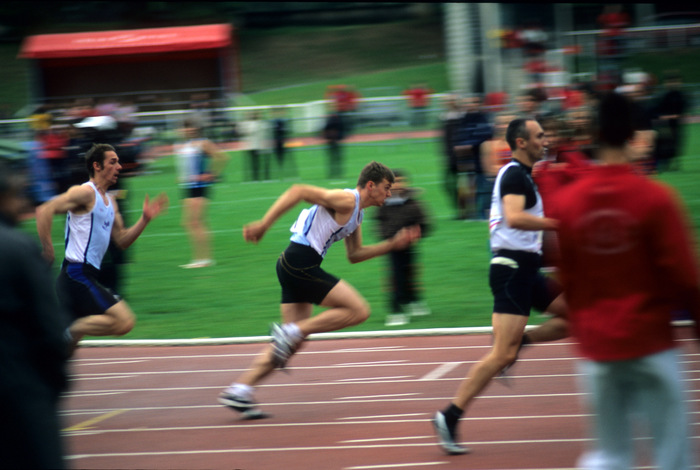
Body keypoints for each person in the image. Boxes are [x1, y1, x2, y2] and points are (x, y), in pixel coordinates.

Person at [553, 91, 700, 470]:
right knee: (673, 454)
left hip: (597, 348)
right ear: (634, 133)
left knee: (610, 455)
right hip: (651, 341)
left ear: (595, 133)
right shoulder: (656, 198)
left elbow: (566, 277)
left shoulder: (568, 204)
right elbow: (687, 278)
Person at [218, 161, 421, 418]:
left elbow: (355, 255)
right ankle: (289, 332)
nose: (390, 193)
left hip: (294, 266)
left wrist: (393, 244)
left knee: (289, 345)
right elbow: (298, 190)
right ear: (371, 186)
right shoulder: (346, 200)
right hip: (299, 263)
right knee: (359, 310)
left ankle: (240, 389)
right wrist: (264, 224)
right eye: (387, 187)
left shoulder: (357, 213)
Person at [431, 118, 565, 455]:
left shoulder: (524, 175)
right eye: (539, 136)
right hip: (512, 270)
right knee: (500, 353)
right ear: (521, 142)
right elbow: (514, 217)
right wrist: (559, 224)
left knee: (575, 315)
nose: (544, 140)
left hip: (528, 269)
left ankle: (520, 343)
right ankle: (449, 415)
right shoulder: (515, 174)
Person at [36, 143, 168, 353]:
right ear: (97, 166)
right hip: (76, 275)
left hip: (85, 276)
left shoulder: (111, 202)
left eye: (119, 162)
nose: (119, 167)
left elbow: (122, 240)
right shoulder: (84, 193)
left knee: (61, 353)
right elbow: (45, 210)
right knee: (124, 322)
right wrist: (48, 249)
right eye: (113, 162)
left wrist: (144, 220)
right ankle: (74, 328)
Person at [0, 161, 71, 468]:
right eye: (18, 195)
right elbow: (52, 331)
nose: (23, 203)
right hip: (20, 394)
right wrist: (49, 390)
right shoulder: (18, 247)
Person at [375, 169, 431, 326]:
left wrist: (417, 231)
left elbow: (425, 222)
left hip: (411, 246)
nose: (397, 185)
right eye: (392, 183)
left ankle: (413, 300)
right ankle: (396, 310)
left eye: (400, 181)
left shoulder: (413, 202)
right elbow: (379, 227)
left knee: (411, 273)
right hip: (392, 247)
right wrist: (394, 238)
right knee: (396, 276)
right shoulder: (382, 204)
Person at [176, 120, 229, 269]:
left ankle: (205, 259)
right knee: (188, 223)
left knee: (196, 222)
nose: (186, 130)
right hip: (187, 187)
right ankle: (198, 259)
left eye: (189, 127)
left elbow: (223, 157)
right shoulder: (185, 145)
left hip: (199, 186)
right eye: (184, 128)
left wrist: (210, 174)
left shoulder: (202, 143)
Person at [322, 111, 346, 179]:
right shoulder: (336, 121)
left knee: (334, 160)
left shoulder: (331, 121)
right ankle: (336, 173)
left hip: (333, 142)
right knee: (335, 159)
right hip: (333, 142)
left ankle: (335, 173)